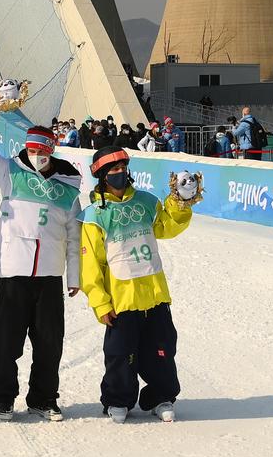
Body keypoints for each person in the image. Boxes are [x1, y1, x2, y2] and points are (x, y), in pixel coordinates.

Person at [0, 91, 83, 422]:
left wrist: (73, 277)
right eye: (32, 149)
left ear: (51, 151)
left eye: (42, 150)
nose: (37, 155)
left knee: (50, 344)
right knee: (6, 342)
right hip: (14, 270)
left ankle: (43, 398)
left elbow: (75, 237)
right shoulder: (10, 173)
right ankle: (2, 398)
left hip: (49, 275)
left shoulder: (68, 187)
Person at [79, 146, 196, 424]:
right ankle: (118, 399)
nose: (120, 174)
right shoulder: (95, 214)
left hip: (154, 294)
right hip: (122, 300)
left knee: (162, 349)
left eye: (123, 168)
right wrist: (100, 302)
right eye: (113, 170)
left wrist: (181, 202)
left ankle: (161, 396)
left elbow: (167, 227)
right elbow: (90, 265)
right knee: (120, 354)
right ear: (102, 176)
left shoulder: (146, 201)